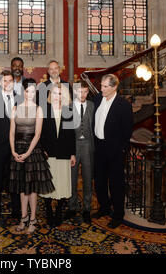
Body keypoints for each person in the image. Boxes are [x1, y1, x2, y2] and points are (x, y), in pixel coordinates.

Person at [9, 78, 54, 234]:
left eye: (33, 91)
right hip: (18, 150)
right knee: (22, 187)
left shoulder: (38, 109)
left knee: (32, 188)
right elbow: (12, 132)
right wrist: (13, 151)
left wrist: (27, 153)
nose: (30, 94)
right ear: (23, 91)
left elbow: (38, 134)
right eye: (27, 91)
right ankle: (23, 218)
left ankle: (33, 219)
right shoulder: (15, 109)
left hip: (33, 151)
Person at [92, 74, 133, 229]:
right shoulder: (97, 99)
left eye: (105, 87)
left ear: (114, 87)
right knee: (100, 181)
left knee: (116, 183)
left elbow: (127, 131)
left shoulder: (123, 105)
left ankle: (118, 214)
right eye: (101, 86)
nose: (101, 89)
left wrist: (121, 149)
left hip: (115, 150)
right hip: (99, 147)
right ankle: (104, 208)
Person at [0, 70, 21, 228]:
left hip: (16, 147)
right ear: (0, 83)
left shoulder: (20, 99)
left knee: (15, 180)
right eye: (5, 81)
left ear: (14, 82)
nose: (7, 84)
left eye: (10, 81)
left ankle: (17, 211)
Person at [40, 83, 76, 227]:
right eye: (54, 93)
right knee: (49, 183)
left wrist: (73, 153)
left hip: (64, 153)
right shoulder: (43, 110)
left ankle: (59, 210)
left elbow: (71, 134)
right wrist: (42, 149)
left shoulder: (68, 111)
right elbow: (40, 133)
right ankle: (48, 209)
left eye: (60, 94)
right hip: (48, 154)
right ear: (50, 95)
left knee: (63, 183)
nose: (57, 96)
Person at [65, 80, 94, 224]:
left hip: (88, 145)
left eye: (85, 91)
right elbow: (65, 130)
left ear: (88, 92)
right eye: (79, 91)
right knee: (72, 178)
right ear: (75, 91)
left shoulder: (92, 106)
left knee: (88, 178)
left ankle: (87, 208)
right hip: (72, 145)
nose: (82, 94)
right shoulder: (68, 107)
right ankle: (72, 206)